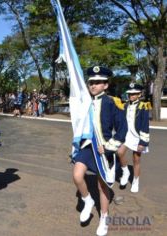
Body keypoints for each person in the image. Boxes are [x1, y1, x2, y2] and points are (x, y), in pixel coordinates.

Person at [72, 66, 127, 236]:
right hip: (88, 146)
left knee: (102, 185)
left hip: (105, 150)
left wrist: (109, 147)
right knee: (77, 176)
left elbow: (121, 130)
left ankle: (104, 216)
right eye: (91, 82)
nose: (93, 85)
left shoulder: (113, 102)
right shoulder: (85, 102)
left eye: (98, 82)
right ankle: (87, 200)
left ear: (106, 85)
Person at [118, 83, 150, 193]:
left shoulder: (143, 106)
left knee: (136, 160)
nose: (131, 95)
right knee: (120, 152)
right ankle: (125, 172)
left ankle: (136, 181)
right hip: (127, 135)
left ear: (139, 94)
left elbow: (145, 126)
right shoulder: (125, 105)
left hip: (137, 137)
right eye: (130, 93)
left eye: (134, 93)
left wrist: (143, 142)